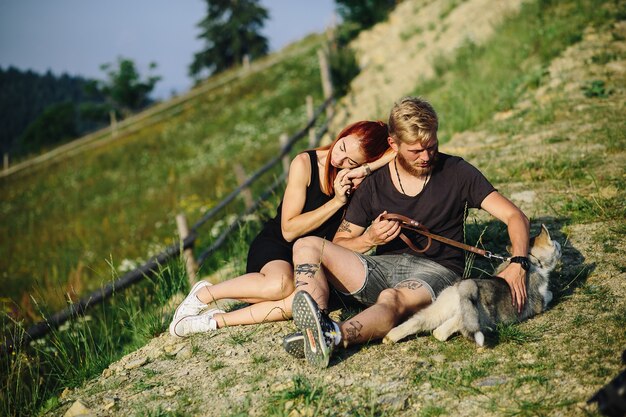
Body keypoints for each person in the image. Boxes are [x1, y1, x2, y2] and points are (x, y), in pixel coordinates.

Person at [284, 97, 530, 368]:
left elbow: (514, 215)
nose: (425, 157)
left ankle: (333, 335)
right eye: (415, 151)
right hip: (381, 267)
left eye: (431, 147)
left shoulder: (457, 172)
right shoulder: (373, 184)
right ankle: (315, 323)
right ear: (393, 145)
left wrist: (518, 262)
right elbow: (340, 243)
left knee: (392, 298)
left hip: (437, 270)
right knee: (306, 245)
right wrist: (370, 239)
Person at [169, 120, 395, 337]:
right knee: (281, 285)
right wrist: (336, 202)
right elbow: (288, 229)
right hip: (278, 247)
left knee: (303, 301)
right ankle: (204, 294)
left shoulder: (356, 179)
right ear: (343, 133)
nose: (339, 159)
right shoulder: (305, 163)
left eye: (351, 162)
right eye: (342, 147)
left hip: (311, 260)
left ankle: (213, 321)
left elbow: (397, 151)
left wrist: (365, 169)